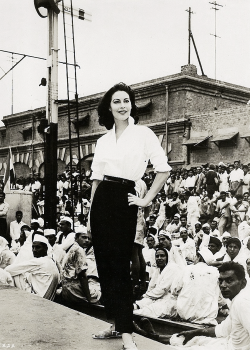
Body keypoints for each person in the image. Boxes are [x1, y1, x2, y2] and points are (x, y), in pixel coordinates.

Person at [89, 82, 170, 350]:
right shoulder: (102, 140)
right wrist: (90, 215)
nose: (122, 106)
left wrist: (146, 200)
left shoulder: (144, 134)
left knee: (121, 268)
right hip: (102, 201)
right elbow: (96, 181)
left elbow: (163, 169)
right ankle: (115, 325)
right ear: (109, 107)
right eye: (117, 102)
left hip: (125, 199)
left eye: (126, 100)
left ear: (132, 104)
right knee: (105, 265)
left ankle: (126, 334)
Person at [5, 234, 60, 300]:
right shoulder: (51, 260)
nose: (34, 250)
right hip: (47, 297)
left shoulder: (39, 261)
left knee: (16, 274)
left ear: (46, 249)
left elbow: (8, 269)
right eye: (33, 247)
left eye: (37, 247)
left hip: (37, 298)